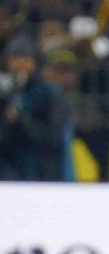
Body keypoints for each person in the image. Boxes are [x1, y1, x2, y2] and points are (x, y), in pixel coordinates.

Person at [0, 35, 73, 181]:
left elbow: (54, 137)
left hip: (43, 173)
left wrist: (22, 119)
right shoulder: (5, 95)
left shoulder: (49, 93)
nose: (19, 65)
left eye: (24, 59)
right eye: (14, 59)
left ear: (34, 62)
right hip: (9, 172)